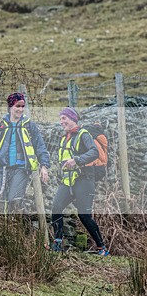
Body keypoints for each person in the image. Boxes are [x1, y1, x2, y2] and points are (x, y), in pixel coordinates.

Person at [0, 92, 50, 213]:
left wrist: (44, 166)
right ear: (10, 107)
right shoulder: (0, 126)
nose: (20, 109)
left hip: (21, 169)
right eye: (17, 106)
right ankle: (4, 230)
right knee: (0, 202)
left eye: (22, 106)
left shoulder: (29, 126)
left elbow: (40, 147)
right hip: (1, 169)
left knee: (14, 201)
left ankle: (18, 228)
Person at [50, 107, 108, 255]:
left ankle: (102, 248)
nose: (61, 121)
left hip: (85, 179)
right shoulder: (65, 137)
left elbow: (94, 152)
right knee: (56, 207)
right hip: (69, 180)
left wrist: (77, 160)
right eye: (60, 118)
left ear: (73, 119)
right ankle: (57, 243)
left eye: (64, 118)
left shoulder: (84, 134)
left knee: (84, 215)